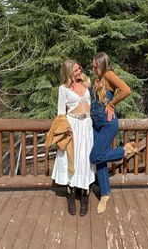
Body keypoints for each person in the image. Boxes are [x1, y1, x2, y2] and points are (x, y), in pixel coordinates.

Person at [90, 52, 136, 214]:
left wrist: (111, 104)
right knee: (100, 160)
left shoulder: (109, 74)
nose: (93, 68)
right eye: (92, 66)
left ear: (102, 64)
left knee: (94, 157)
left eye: (95, 65)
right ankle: (105, 195)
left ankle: (125, 150)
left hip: (108, 123)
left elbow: (126, 90)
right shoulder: (97, 78)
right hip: (96, 124)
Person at [51, 59, 95, 216]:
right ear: (68, 72)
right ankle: (71, 193)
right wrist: (63, 131)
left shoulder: (88, 83)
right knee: (72, 158)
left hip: (87, 125)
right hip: (73, 126)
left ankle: (85, 194)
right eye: (76, 70)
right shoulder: (63, 89)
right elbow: (60, 113)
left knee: (85, 158)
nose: (79, 71)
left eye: (79, 68)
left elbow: (98, 102)